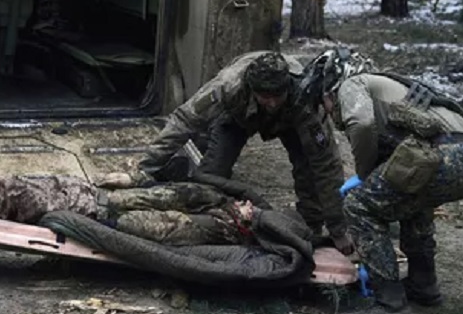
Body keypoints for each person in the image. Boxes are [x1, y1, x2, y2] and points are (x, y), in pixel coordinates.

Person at [298, 48, 463, 314]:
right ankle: (423, 285)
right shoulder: (391, 85)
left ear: (330, 90)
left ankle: (390, 305)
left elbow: (362, 123)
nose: (328, 110)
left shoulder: (354, 84)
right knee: (410, 197)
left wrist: (365, 173)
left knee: (359, 206)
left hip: (445, 156)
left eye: (324, 102)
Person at [123, 51, 351, 253]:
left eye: (277, 96)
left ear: (287, 88)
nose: (271, 103)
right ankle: (209, 225)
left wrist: (338, 229)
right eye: (265, 96)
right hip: (237, 117)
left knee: (309, 170)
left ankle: (307, 229)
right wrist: (145, 169)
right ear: (253, 90)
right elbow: (184, 121)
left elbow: (326, 165)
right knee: (211, 175)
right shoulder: (228, 86)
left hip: (290, 120)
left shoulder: (305, 98)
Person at [0, 175, 258, 247]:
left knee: (7, 195)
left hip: (89, 208)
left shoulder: (211, 227)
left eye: (250, 210)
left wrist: (107, 219)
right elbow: (162, 191)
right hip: (89, 194)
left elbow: (150, 228)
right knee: (6, 189)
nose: (248, 205)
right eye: (247, 203)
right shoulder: (210, 201)